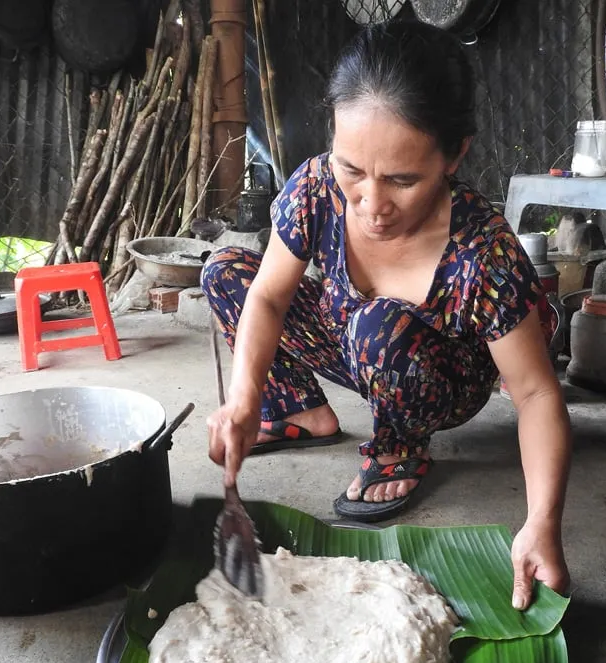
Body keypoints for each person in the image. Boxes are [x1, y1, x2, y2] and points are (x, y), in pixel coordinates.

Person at [203, 20, 570, 610]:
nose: (372, 205)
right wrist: (245, 396)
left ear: (455, 155)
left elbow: (535, 395)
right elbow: (269, 298)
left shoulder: (485, 252)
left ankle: (399, 446)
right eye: (353, 169)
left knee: (379, 328)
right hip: (356, 341)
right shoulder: (316, 189)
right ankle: (298, 409)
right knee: (228, 273)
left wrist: (541, 521)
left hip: (438, 375)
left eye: (402, 180)